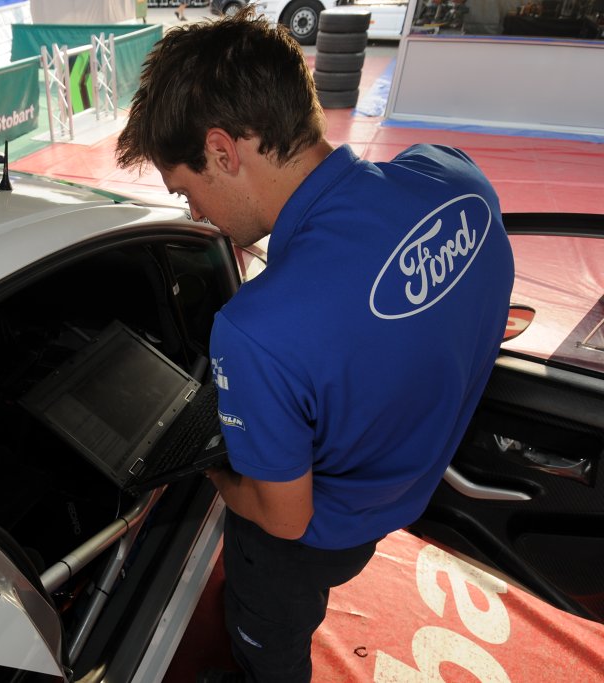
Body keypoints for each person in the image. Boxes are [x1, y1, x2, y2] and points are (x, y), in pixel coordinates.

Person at [115, 9, 514, 683]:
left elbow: (284, 517)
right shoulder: (458, 182)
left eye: (187, 190)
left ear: (221, 150)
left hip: (313, 543)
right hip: (402, 495)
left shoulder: (257, 330)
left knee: (268, 641)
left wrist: (211, 470)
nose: (195, 215)